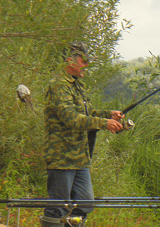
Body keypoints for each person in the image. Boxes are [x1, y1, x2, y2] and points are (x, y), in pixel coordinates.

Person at [40, 42, 125, 227]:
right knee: (58, 207)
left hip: (80, 157)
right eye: (84, 60)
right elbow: (70, 118)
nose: (87, 65)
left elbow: (88, 114)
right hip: (61, 157)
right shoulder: (59, 85)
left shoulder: (78, 86)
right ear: (70, 60)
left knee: (85, 203)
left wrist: (108, 115)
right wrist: (104, 123)